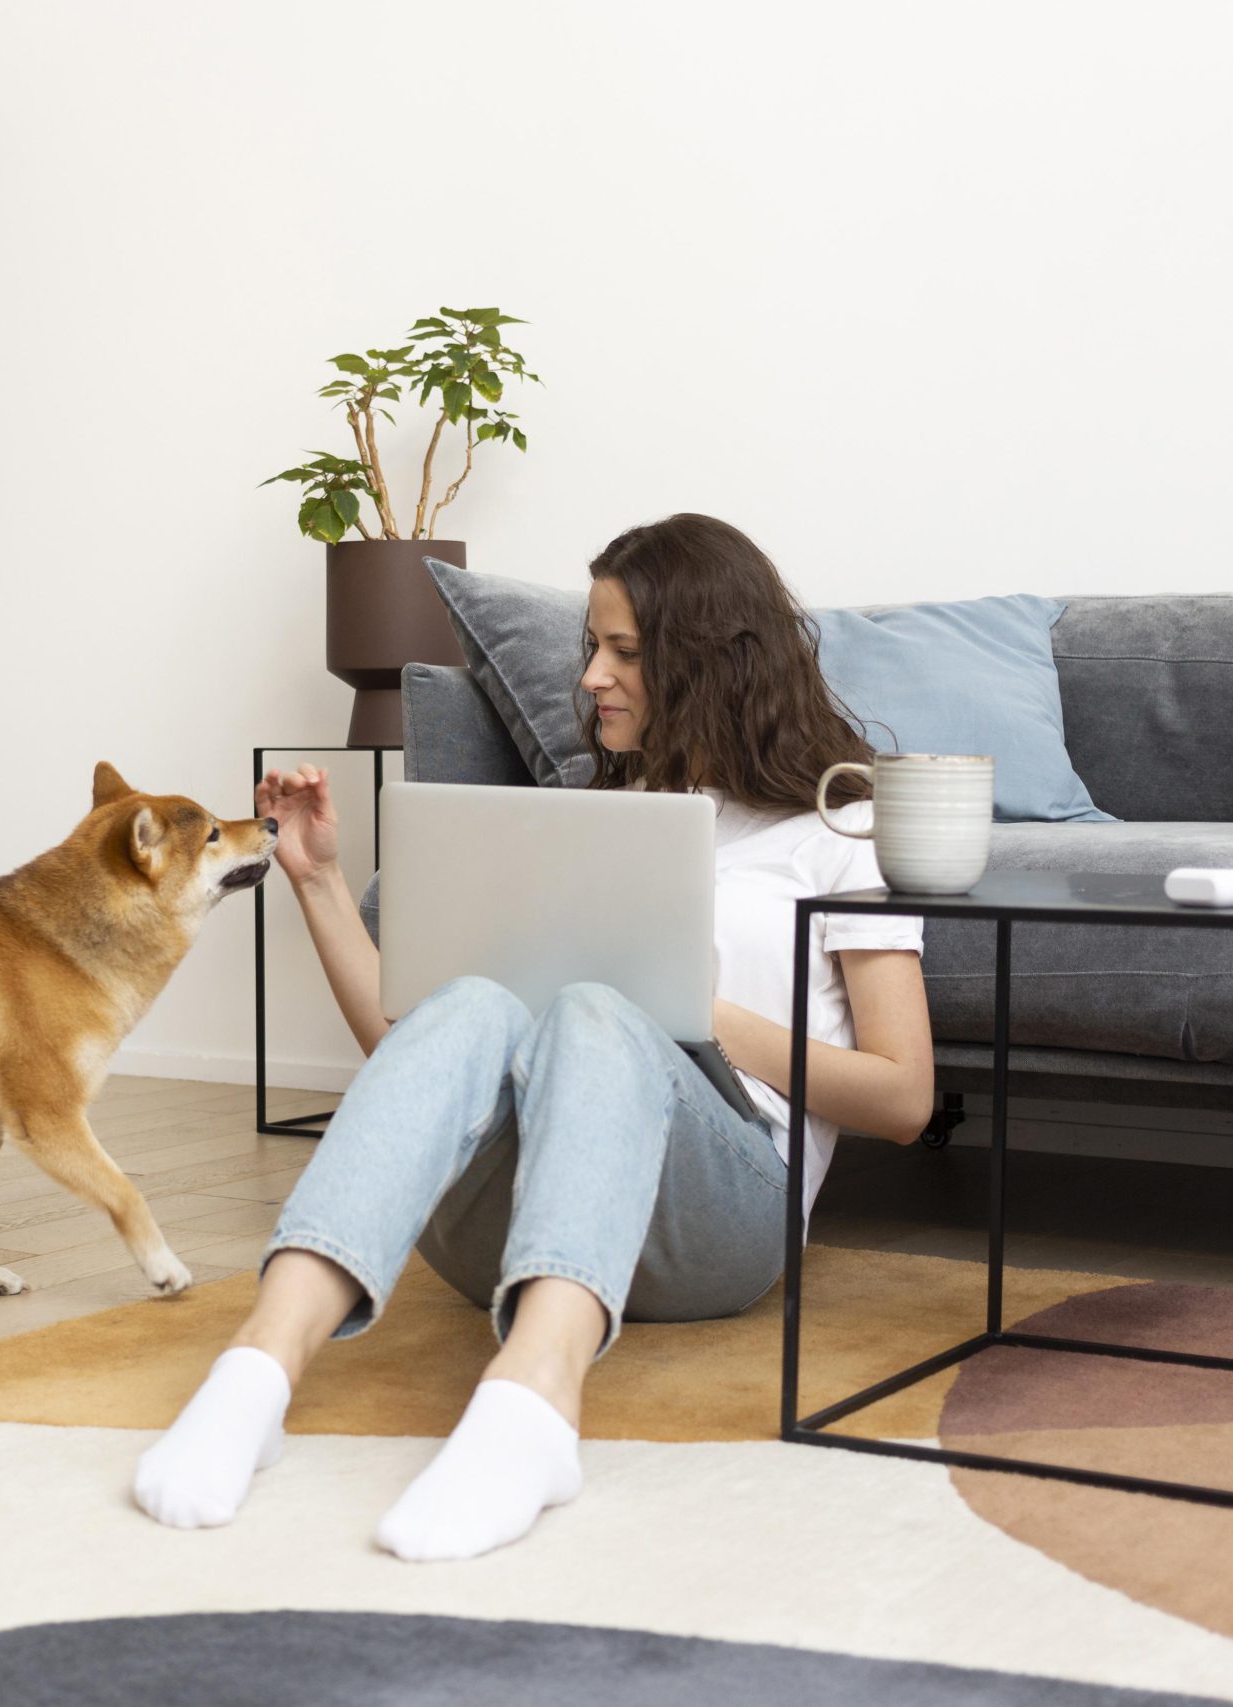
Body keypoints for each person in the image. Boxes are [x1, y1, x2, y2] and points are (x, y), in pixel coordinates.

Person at [133, 513, 934, 1561]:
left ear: (706, 659)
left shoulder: (838, 826)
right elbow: (406, 1052)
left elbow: (904, 1097)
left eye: (626, 652)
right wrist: (322, 881)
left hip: (719, 1220)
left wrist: (700, 1019)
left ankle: (533, 1401)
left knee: (598, 1008)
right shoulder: (596, 818)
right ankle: (258, 1370)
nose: (593, 675)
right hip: (501, 1240)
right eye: (592, 648)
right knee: (466, 1004)